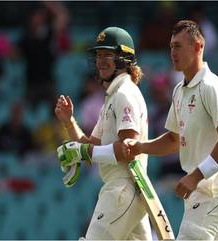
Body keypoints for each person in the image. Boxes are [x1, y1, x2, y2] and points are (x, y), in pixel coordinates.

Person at [125, 20, 218, 240]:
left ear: (198, 47)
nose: (172, 52)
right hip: (198, 191)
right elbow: (173, 140)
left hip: (214, 188)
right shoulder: (179, 90)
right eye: (170, 47)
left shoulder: (211, 87)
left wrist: (195, 176)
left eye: (178, 46)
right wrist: (139, 147)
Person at [54, 27, 152, 240]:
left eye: (108, 54)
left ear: (124, 58)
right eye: (98, 55)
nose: (101, 60)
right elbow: (91, 147)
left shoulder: (124, 94)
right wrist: (70, 122)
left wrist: (82, 152)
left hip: (123, 188)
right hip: (125, 190)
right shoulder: (112, 97)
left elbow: (128, 148)